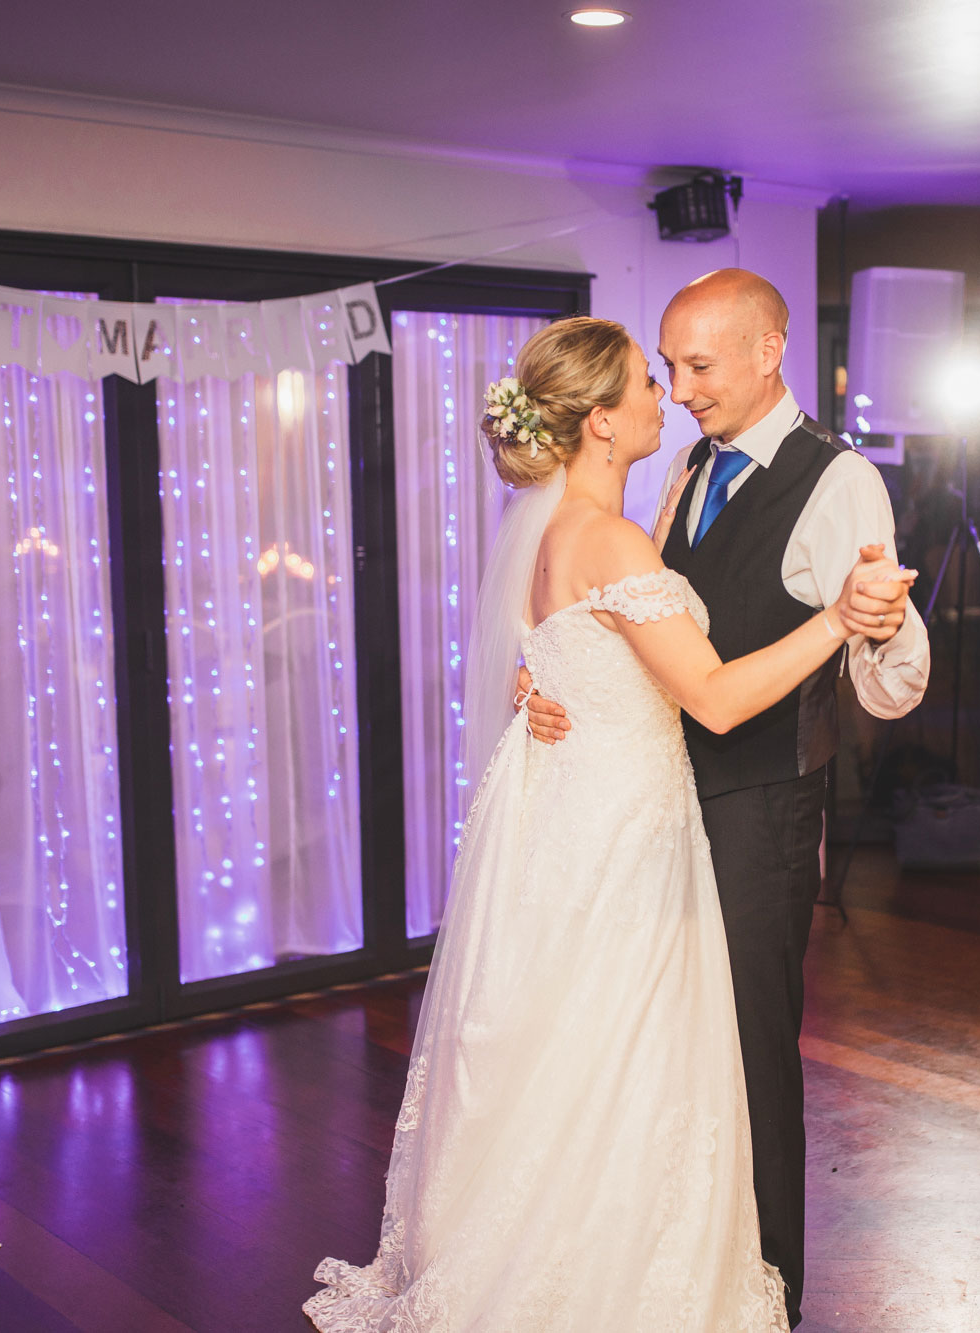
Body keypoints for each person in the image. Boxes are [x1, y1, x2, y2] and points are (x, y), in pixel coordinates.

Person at [304, 317, 914, 1330]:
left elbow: (561, 642)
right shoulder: (616, 533)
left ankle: (553, 1252)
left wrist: (533, 680)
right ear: (597, 422)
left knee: (572, 1049)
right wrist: (837, 621)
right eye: (646, 380)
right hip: (625, 829)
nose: (665, 395)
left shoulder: (561, 530)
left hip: (582, 818)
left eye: (678, 371)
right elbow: (712, 698)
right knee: (625, 1049)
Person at [522, 272, 928, 1327]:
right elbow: (628, 622)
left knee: (750, 1050)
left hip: (760, 809)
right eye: (668, 366)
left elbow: (885, 679)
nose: (682, 386)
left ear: (767, 350)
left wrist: (876, 622)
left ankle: (768, 1293)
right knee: (672, 1048)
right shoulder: (685, 468)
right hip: (654, 807)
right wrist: (551, 676)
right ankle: (674, 1273)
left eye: (698, 365)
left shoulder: (838, 480)